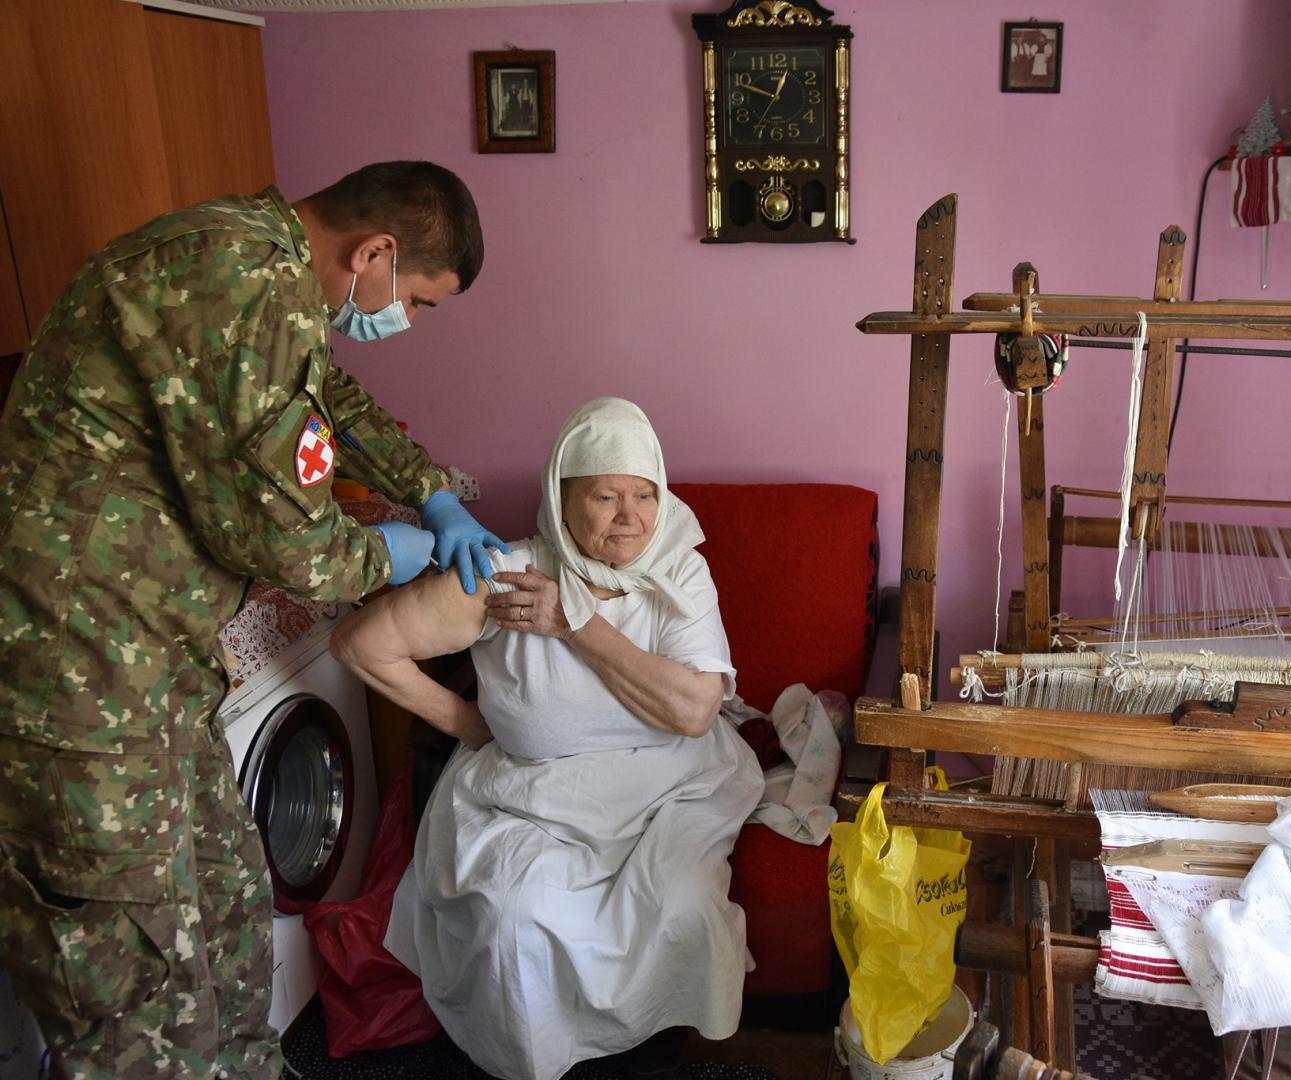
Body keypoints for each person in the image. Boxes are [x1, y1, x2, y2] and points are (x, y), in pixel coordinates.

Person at [0, 161, 506, 1080]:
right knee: (136, 994)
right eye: (420, 303)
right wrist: (387, 556)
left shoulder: (274, 272)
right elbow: (289, 544)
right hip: (75, 689)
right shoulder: (234, 279)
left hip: (152, 673)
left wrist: (430, 492)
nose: (407, 321)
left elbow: (330, 405)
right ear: (378, 252)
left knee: (228, 911)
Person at [331, 397, 765, 1080]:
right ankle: (533, 1064)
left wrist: (573, 620)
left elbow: (691, 712)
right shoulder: (506, 575)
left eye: (644, 494)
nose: (630, 516)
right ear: (562, 499)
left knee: (681, 909)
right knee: (513, 920)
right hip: (531, 797)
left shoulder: (678, 570)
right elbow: (360, 646)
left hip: (667, 787)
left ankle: (649, 1056)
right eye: (605, 495)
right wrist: (469, 725)